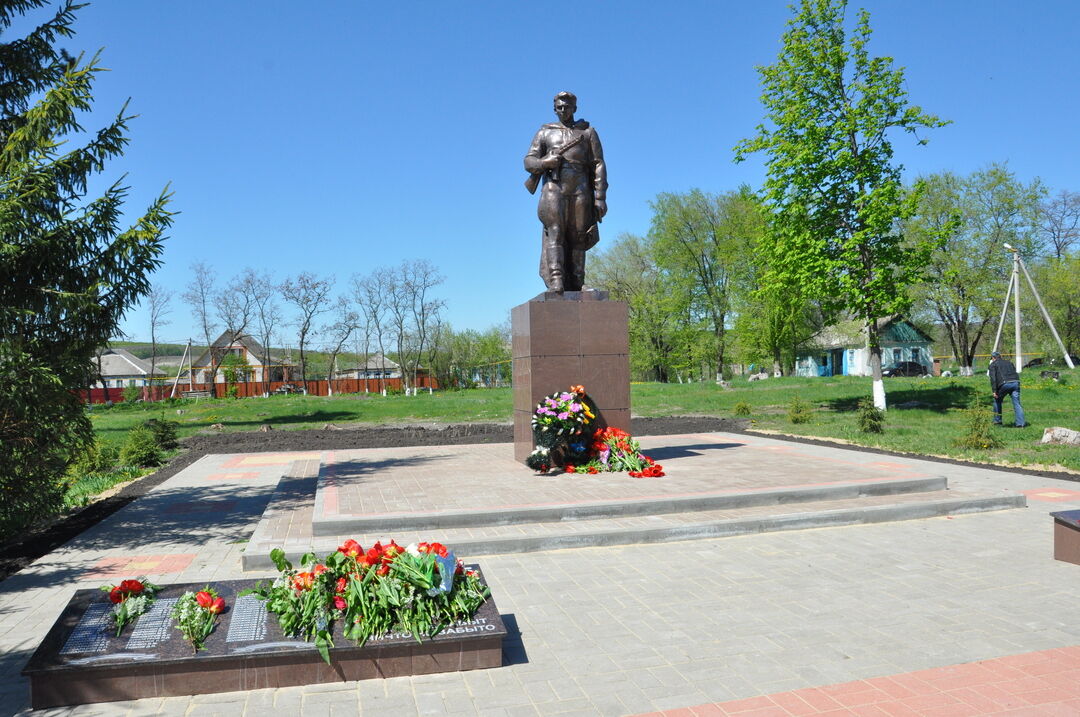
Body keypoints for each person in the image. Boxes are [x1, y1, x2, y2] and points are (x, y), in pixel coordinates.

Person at [523, 91, 607, 292]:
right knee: (556, 233)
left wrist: (600, 197)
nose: (563, 110)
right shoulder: (544, 132)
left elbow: (598, 165)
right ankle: (556, 280)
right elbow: (528, 161)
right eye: (559, 107)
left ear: (575, 108)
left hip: (580, 188)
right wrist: (545, 162)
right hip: (554, 188)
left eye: (567, 107)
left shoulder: (587, 132)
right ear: (554, 109)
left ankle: (578, 281)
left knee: (579, 235)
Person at [988, 350, 1026, 427]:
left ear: (993, 358)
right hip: (1016, 382)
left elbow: (993, 379)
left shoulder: (993, 364)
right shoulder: (1009, 362)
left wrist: (994, 391)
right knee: (1017, 403)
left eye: (991, 358)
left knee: (997, 400)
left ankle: (997, 421)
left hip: (1004, 384)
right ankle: (1020, 424)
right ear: (1000, 357)